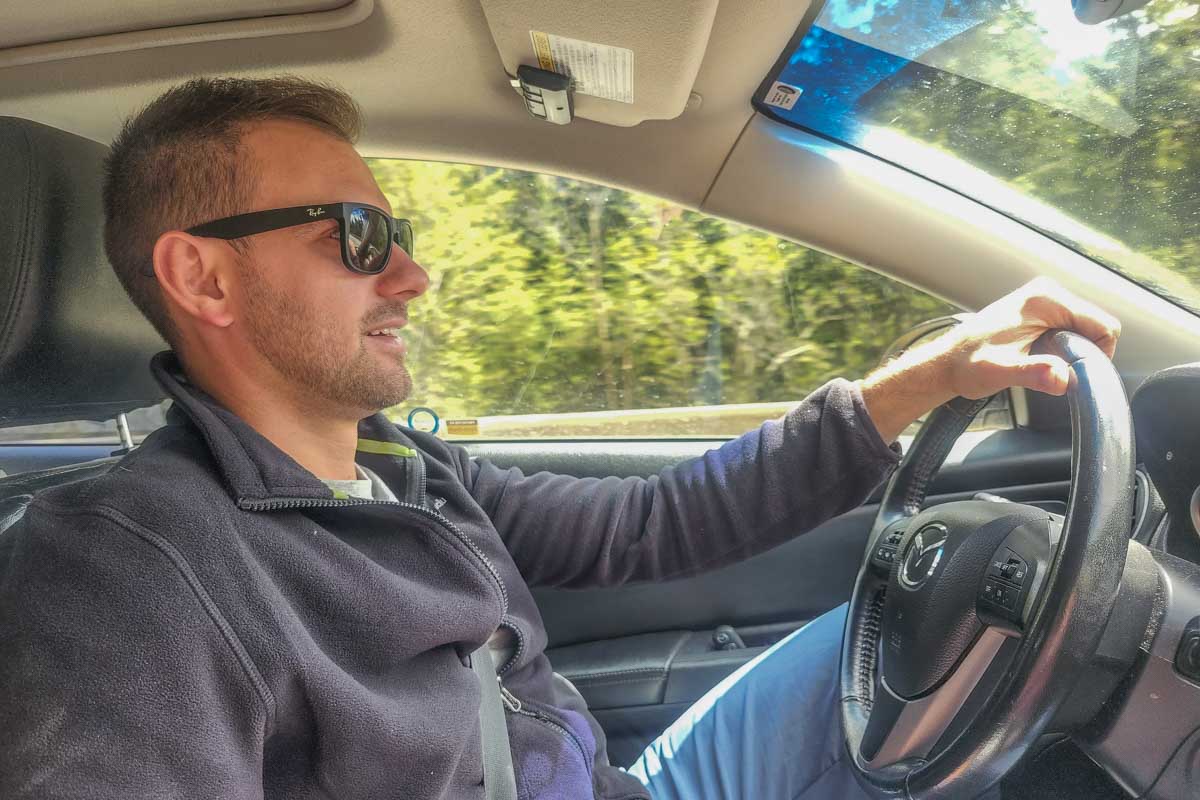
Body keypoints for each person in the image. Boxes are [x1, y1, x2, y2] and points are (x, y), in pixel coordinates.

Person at [0, 77, 1119, 800]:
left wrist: (922, 380)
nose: (412, 272)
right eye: (357, 234)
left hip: (623, 782)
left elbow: (653, 522)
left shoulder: (399, 467)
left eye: (397, 231)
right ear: (204, 274)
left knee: (936, 626)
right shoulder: (121, 566)